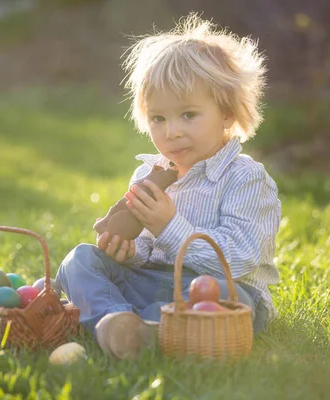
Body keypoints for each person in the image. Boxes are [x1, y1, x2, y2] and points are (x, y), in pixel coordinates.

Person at [56, 13, 282, 359]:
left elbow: (236, 260)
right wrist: (131, 254)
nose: (171, 131)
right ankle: (116, 323)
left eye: (188, 115)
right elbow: (150, 252)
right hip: (153, 283)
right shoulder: (149, 175)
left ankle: (144, 328)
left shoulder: (245, 178)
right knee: (81, 259)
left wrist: (169, 227)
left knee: (225, 293)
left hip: (220, 292)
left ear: (226, 113)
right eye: (158, 118)